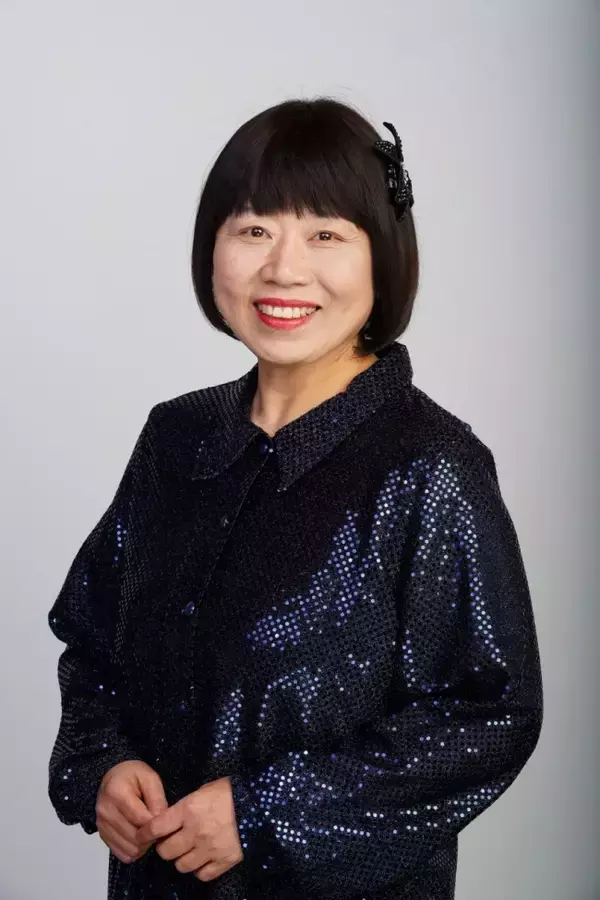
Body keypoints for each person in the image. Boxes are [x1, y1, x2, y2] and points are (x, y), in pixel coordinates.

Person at [47, 97, 543, 900]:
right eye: (253, 230)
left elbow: (488, 715)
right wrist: (105, 762)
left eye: (325, 235)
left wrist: (264, 814)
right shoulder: (177, 439)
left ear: (382, 255)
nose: (283, 269)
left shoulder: (430, 467)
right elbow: (93, 642)